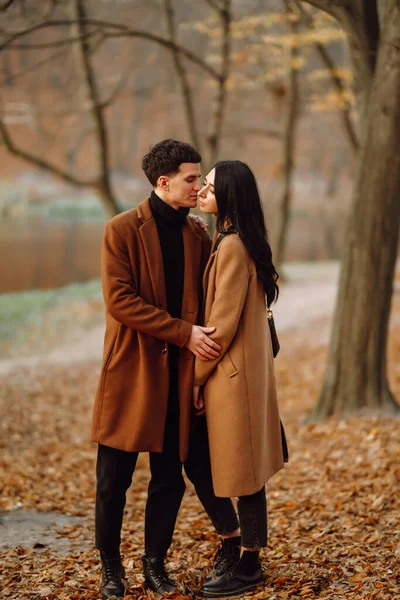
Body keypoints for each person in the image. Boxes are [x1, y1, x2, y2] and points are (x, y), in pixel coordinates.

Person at [91, 140, 242, 600]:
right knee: (112, 481)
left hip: (179, 375)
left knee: (169, 480)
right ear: (164, 182)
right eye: (191, 178)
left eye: (200, 179)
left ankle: (154, 565)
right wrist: (184, 333)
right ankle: (111, 571)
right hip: (131, 372)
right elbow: (121, 302)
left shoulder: (198, 234)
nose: (198, 187)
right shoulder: (120, 230)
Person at [193, 160, 288, 598]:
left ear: (229, 194)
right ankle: (237, 546)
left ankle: (249, 563)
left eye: (209, 186)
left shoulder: (232, 246)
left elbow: (220, 326)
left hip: (232, 378)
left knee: (245, 473)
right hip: (239, 375)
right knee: (219, 464)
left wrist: (195, 380)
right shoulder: (234, 238)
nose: (201, 191)